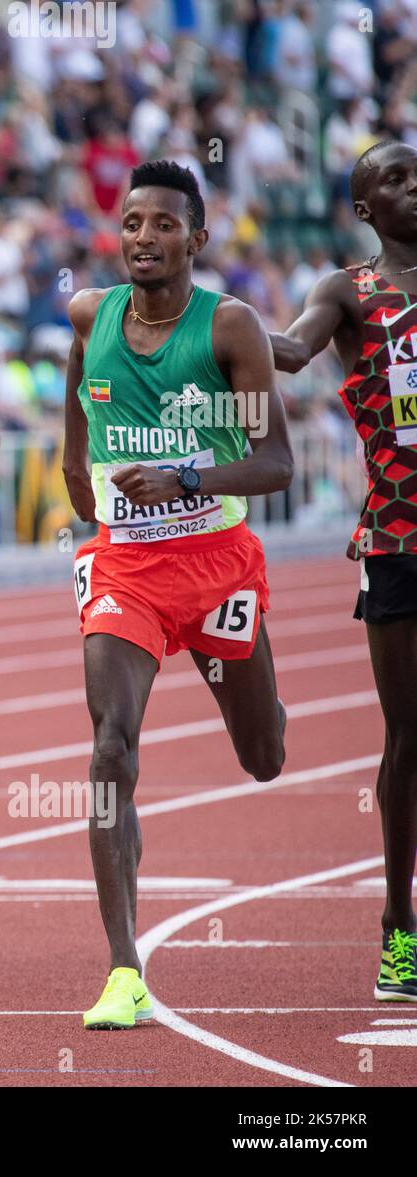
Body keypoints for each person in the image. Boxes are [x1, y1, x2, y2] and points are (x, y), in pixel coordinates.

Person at [62, 160, 293, 1029]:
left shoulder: (231, 328)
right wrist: (69, 460)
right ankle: (125, 969)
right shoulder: (93, 311)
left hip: (219, 564)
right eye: (131, 224)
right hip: (125, 566)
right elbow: (79, 372)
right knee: (110, 747)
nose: (143, 239)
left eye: (163, 225)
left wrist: (186, 472)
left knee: (263, 755)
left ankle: (266, 710)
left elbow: (276, 464)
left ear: (197, 239)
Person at [269, 141, 417, 1002]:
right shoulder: (347, 292)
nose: (413, 186)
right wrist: (204, 315)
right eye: (393, 180)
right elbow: (289, 354)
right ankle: (400, 926)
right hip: (399, 542)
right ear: (364, 208)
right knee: (409, 739)